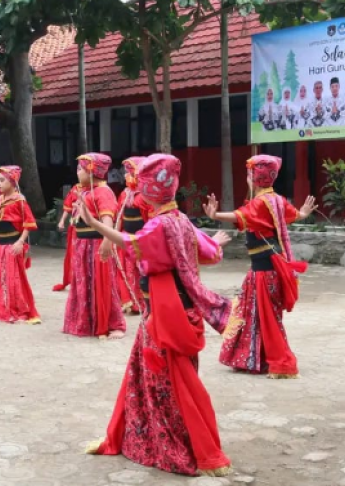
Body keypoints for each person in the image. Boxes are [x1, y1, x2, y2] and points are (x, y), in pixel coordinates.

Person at [81, 154, 233, 477]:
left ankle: (172, 443)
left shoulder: (158, 226)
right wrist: (215, 241)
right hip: (180, 312)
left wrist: (95, 225)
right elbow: (209, 253)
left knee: (162, 380)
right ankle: (184, 438)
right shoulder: (182, 221)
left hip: (163, 316)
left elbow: (128, 241)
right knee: (175, 378)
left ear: (149, 191)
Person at [204, 155, 317, 379]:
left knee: (266, 316)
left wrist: (215, 214)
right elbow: (293, 215)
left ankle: (282, 364)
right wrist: (303, 213)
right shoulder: (277, 200)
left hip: (265, 270)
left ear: (254, 178)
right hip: (266, 266)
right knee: (253, 313)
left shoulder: (260, 203)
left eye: (249, 174)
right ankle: (251, 357)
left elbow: (241, 216)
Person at [62, 153, 126, 339]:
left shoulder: (103, 192)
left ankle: (113, 324)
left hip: (97, 244)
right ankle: (86, 321)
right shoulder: (85, 191)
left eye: (80, 169)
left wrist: (107, 242)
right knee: (84, 282)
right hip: (83, 245)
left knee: (103, 282)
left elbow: (108, 220)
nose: (77, 172)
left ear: (91, 171)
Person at [0, 166, 40, 324]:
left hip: (12, 243)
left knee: (13, 278)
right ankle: (0, 306)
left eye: (2, 181)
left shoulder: (19, 200)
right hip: (0, 244)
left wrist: (20, 242)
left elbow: (29, 223)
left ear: (13, 181)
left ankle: (17, 308)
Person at [115, 156, 150, 314]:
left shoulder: (145, 196)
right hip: (126, 238)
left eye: (128, 173)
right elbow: (119, 216)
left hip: (141, 240)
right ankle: (130, 302)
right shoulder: (124, 194)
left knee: (141, 272)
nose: (124, 176)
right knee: (127, 272)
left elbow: (149, 219)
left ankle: (142, 303)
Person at [53, 183, 80, 292]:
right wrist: (62, 221)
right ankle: (74, 280)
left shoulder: (97, 189)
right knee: (73, 253)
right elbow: (68, 207)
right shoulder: (75, 188)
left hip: (89, 227)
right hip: (75, 226)